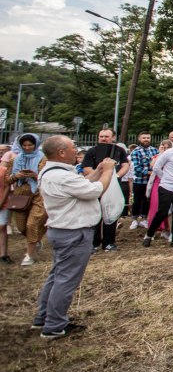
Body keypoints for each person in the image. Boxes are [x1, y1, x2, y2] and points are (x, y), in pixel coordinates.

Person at [33, 136, 116, 338]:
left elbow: (81, 185)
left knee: (57, 276)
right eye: (73, 147)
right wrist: (107, 172)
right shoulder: (62, 176)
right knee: (66, 280)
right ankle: (54, 325)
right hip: (73, 232)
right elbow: (95, 190)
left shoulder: (52, 172)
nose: (76, 150)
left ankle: (43, 318)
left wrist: (97, 171)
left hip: (62, 230)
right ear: (61, 152)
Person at [81, 128, 131, 253]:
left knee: (112, 213)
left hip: (114, 187)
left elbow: (125, 165)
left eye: (106, 136)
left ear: (113, 138)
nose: (103, 138)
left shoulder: (119, 151)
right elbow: (86, 168)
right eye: (101, 136)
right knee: (96, 214)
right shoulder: (92, 151)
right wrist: (101, 176)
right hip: (96, 186)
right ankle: (93, 243)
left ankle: (109, 242)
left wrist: (116, 176)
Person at [7, 133, 47, 265]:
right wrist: (17, 176)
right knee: (21, 226)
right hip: (20, 195)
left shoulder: (43, 159)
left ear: (35, 145)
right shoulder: (15, 160)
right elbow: (7, 179)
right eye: (24, 145)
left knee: (32, 224)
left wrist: (35, 175)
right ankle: (34, 239)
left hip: (37, 194)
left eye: (30, 145)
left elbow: (46, 178)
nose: (27, 148)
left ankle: (29, 255)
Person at [129, 131, 157, 228]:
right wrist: (149, 173)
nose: (146, 139)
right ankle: (134, 219)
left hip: (151, 181)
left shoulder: (154, 151)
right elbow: (136, 167)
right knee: (137, 200)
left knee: (147, 200)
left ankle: (144, 219)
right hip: (140, 180)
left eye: (148, 138)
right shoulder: (136, 151)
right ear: (139, 139)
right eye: (144, 138)